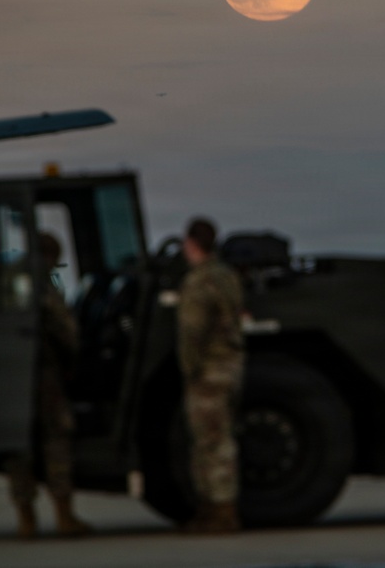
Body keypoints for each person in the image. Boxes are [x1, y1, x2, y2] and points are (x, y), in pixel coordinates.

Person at [4, 232, 92, 539]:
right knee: (56, 440)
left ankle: (25, 519)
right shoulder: (42, 283)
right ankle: (64, 516)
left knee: (19, 448)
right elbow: (65, 330)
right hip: (43, 375)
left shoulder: (3, 280)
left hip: (10, 377)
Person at [178, 217, 245, 533]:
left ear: (192, 244)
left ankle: (220, 511)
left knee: (211, 443)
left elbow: (192, 331)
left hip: (208, 371)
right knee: (216, 438)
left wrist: (189, 367)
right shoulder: (226, 276)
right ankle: (214, 510)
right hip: (230, 367)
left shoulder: (198, 281)